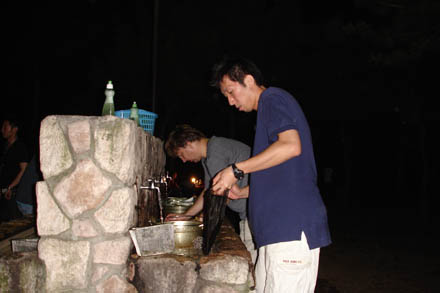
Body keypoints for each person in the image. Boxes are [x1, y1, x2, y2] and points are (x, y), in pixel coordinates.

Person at [210, 57, 331, 293]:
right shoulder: (267, 112)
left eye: (231, 92)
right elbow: (280, 171)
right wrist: (243, 192)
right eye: (226, 97)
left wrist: (236, 169)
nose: (231, 102)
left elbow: (291, 146)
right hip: (275, 234)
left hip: (291, 229)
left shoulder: (272, 98)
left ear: (249, 80)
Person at [164, 124, 257, 263]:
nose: (183, 160)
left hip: (256, 214)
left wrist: (203, 217)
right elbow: (209, 190)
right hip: (248, 215)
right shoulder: (208, 156)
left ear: (188, 144)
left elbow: (221, 195)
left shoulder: (215, 152)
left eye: (181, 155)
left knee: (252, 261)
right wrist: (187, 215)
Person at [0, 116, 30, 221]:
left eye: (5, 127)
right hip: (3, 191)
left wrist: (11, 187)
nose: (2, 130)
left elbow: (24, 170)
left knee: (12, 222)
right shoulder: (6, 146)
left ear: (14, 129)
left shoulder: (20, 148)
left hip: (12, 193)